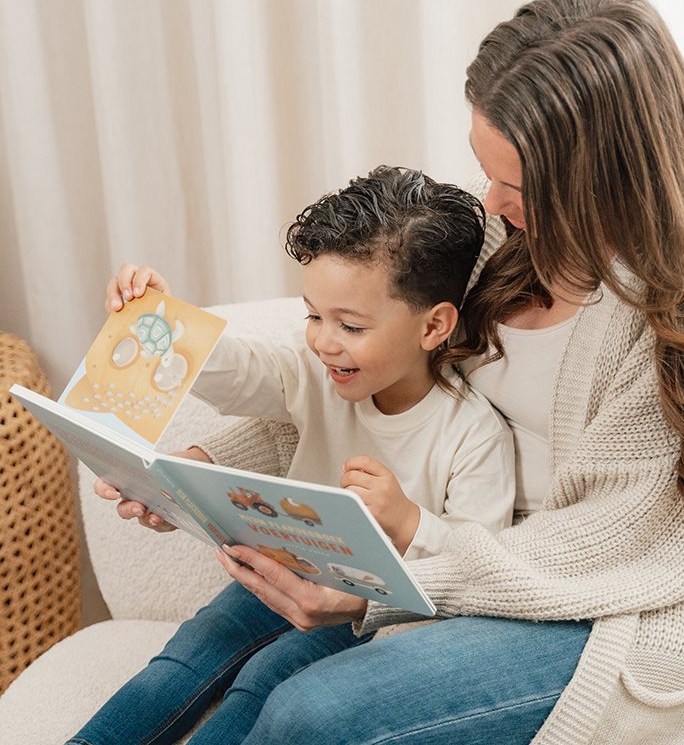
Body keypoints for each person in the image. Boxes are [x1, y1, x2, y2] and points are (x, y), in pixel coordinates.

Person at [86, 0, 684, 744]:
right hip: (450, 541)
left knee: (311, 710)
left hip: (623, 604)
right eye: (484, 169)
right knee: (224, 665)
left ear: (603, 176)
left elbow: (628, 540)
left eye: (517, 186)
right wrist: (199, 476)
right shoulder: (499, 237)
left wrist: (389, 591)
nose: (490, 200)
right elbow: (374, 382)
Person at [68, 166, 515, 745]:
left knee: (264, 684)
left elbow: (477, 561)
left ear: (434, 326)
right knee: (181, 663)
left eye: (350, 325)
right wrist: (165, 320)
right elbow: (241, 370)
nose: (324, 341)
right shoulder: (315, 375)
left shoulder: (473, 433)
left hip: (361, 613)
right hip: (275, 571)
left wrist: (407, 520)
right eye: (313, 315)